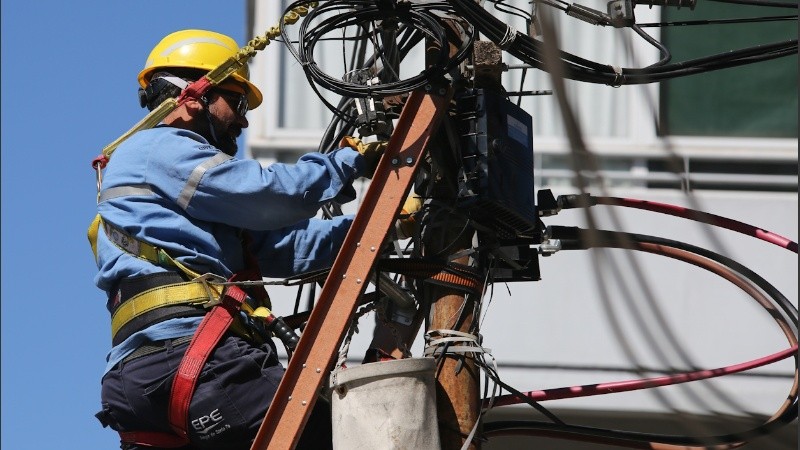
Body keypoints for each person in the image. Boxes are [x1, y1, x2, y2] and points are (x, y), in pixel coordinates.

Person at [90, 29, 386, 450]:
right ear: (194, 95)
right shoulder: (158, 148)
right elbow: (265, 193)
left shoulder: (185, 201)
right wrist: (346, 161)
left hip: (141, 382)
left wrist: (383, 226)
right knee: (344, 439)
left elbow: (284, 248)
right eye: (237, 101)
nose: (244, 120)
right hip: (195, 361)